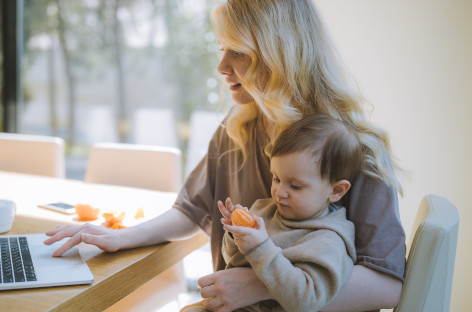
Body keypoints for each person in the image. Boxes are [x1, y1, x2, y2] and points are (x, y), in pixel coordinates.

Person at [44, 0, 406, 311]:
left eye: (240, 52)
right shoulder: (237, 128)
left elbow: (388, 283)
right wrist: (120, 237)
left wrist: (261, 284)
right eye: (222, 49)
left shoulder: (356, 148)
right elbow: (190, 210)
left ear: (280, 56)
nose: (222, 68)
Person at [182, 114, 361, 312]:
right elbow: (233, 261)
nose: (279, 192)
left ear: (336, 191)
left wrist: (260, 248)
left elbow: (306, 300)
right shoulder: (265, 210)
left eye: (295, 186)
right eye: (276, 178)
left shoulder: (329, 241)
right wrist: (236, 234)